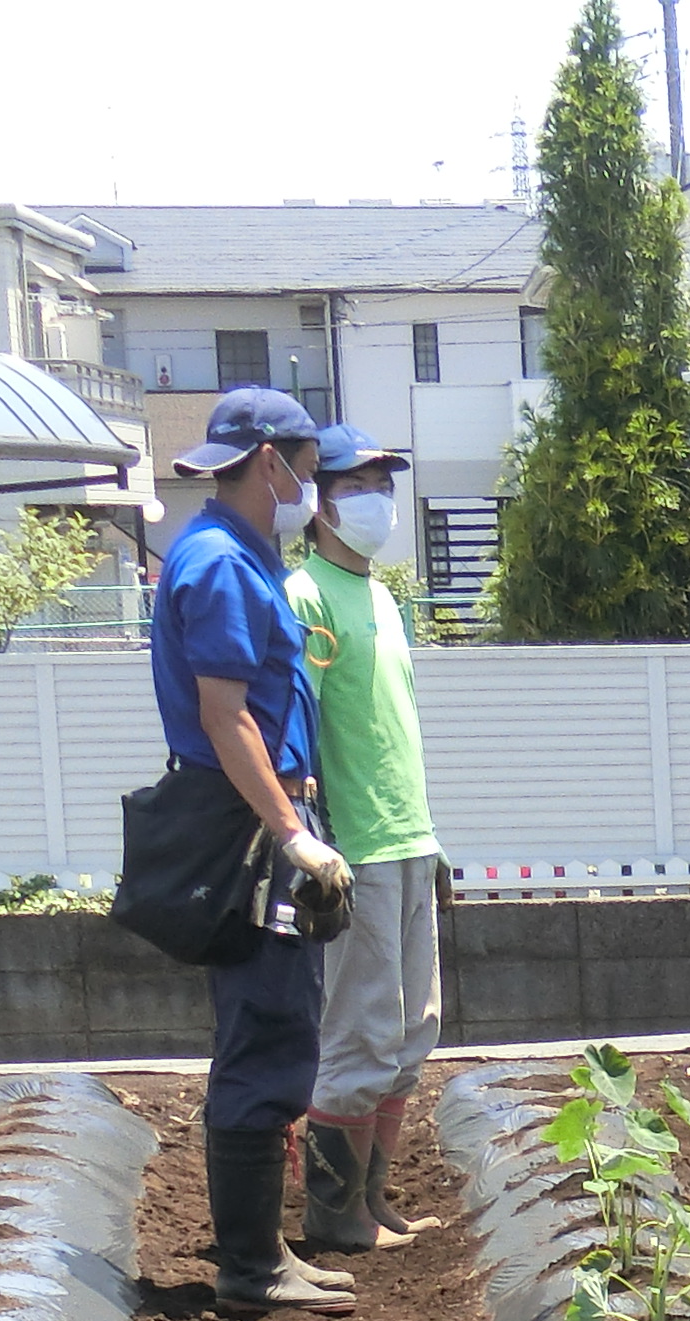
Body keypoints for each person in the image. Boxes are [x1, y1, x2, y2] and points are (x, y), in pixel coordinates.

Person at [150, 383, 355, 1315]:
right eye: (309, 469)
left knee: (278, 1029)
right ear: (270, 462)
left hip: (264, 816)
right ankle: (248, 1269)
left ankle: (263, 1253)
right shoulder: (225, 566)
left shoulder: (237, 551)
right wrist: (291, 835)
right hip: (248, 828)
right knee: (264, 1034)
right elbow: (224, 717)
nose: (313, 486)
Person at [284, 424, 445, 1259]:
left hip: (408, 839)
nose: (376, 498)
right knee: (360, 1032)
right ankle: (333, 1210)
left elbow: (394, 728)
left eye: (384, 481)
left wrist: (431, 841)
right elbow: (295, 728)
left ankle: (373, 1195)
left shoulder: (381, 598)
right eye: (357, 484)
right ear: (320, 501)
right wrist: (314, 837)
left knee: (414, 1031)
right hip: (361, 847)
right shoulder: (306, 595)